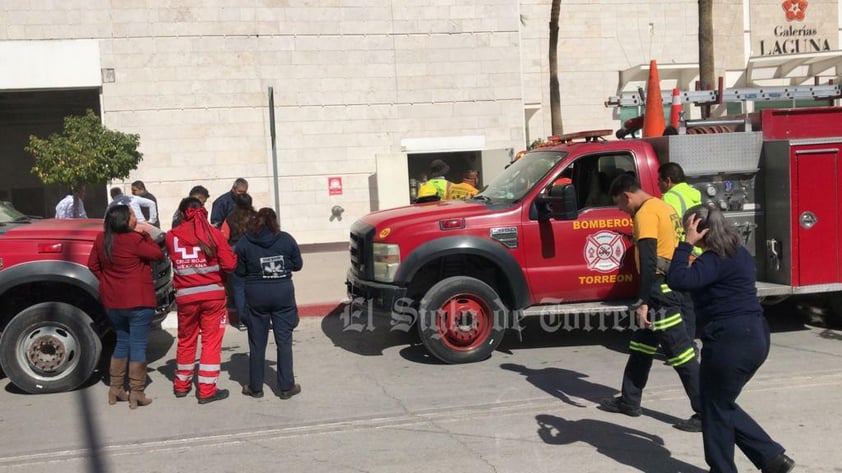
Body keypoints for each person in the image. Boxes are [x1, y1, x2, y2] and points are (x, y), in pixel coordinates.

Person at [667, 205, 795, 473]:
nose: (686, 231)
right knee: (717, 403)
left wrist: (685, 244)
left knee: (714, 404)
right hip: (755, 337)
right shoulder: (740, 255)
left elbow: (678, 279)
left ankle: (757, 460)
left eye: (688, 227)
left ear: (701, 228)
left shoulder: (713, 260)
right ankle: (771, 459)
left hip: (731, 342)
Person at [599, 174, 702, 432]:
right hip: (670, 284)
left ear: (627, 196)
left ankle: (706, 412)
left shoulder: (645, 214)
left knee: (681, 353)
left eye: (621, 206)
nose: (623, 212)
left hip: (659, 291)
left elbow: (648, 261)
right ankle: (630, 401)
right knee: (641, 346)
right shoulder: (663, 207)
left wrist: (643, 301)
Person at [87, 205, 164, 409]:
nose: (135, 218)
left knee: (122, 342)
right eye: (131, 214)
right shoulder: (135, 239)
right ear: (124, 219)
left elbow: (92, 265)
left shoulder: (101, 239)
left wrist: (106, 281)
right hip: (138, 299)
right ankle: (136, 392)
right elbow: (157, 254)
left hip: (113, 301)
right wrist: (145, 235)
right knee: (138, 345)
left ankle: (116, 388)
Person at [166, 197, 237, 404]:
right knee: (211, 343)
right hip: (213, 298)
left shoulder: (171, 237)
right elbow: (230, 265)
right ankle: (206, 390)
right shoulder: (214, 235)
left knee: (186, 341)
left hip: (186, 298)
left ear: (181, 214)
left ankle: (181, 385)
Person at [235, 207, 303, 399]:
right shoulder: (286, 239)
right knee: (284, 341)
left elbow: (239, 271)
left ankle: (255, 388)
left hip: (257, 295)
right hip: (283, 294)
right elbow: (298, 265)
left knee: (257, 343)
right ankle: (286, 387)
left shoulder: (245, 241)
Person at [658, 162, 702, 344]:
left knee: (679, 304)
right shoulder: (693, 194)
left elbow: (672, 229)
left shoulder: (669, 198)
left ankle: (685, 345)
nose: (658, 184)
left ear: (668, 181)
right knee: (688, 303)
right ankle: (689, 342)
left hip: (682, 254)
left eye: (659, 180)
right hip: (698, 252)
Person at [221, 193, 256, 331]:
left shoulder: (230, 218)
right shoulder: (257, 217)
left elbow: (224, 237)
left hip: (236, 253)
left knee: (239, 288)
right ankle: (261, 318)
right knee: (257, 285)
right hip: (254, 252)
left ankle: (242, 321)